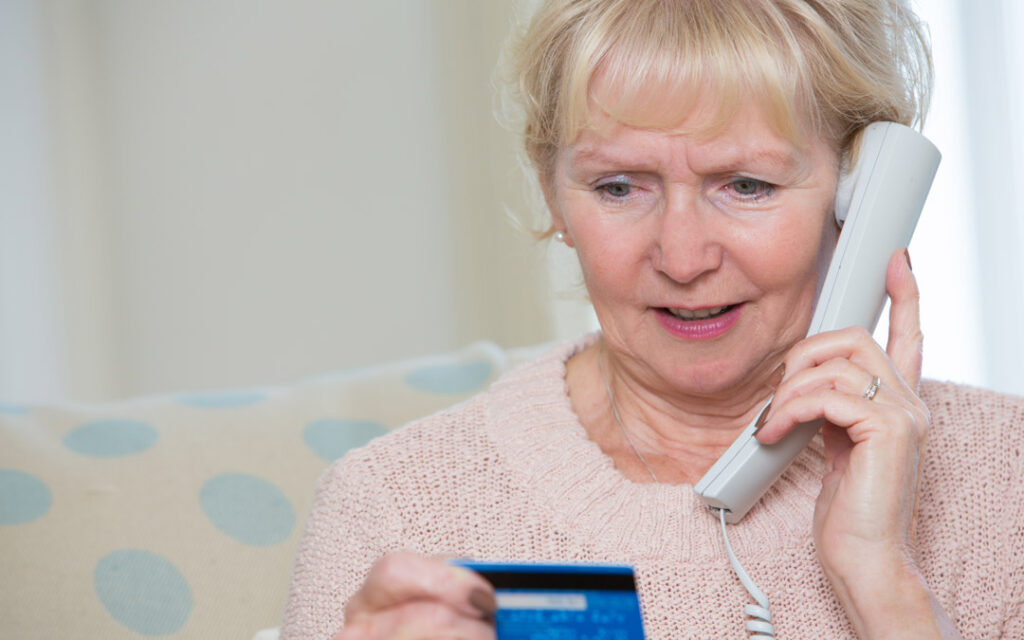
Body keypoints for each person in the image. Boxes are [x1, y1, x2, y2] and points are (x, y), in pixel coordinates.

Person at [281, 1, 1024, 638]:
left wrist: (884, 586)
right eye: (619, 187)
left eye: (745, 184)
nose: (681, 256)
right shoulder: (393, 507)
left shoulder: (1006, 476)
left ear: (861, 199)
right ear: (553, 195)